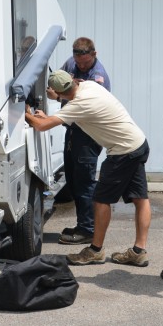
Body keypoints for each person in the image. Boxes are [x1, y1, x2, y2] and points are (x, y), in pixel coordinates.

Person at [26, 70, 151, 268]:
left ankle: (95, 250)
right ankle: (138, 251)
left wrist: (25, 112)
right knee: (140, 198)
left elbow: (41, 126)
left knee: (101, 200)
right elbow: (67, 105)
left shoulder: (78, 104)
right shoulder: (90, 86)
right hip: (138, 142)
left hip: (122, 152)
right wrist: (51, 110)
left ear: (59, 91)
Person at [52, 38, 111, 246]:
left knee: (85, 182)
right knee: (73, 180)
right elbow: (57, 81)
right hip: (74, 132)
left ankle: (88, 229)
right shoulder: (71, 63)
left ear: (94, 54)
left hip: (89, 135)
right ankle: (82, 225)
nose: (81, 66)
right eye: (79, 63)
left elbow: (82, 103)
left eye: (85, 63)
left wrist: (59, 97)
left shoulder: (98, 76)